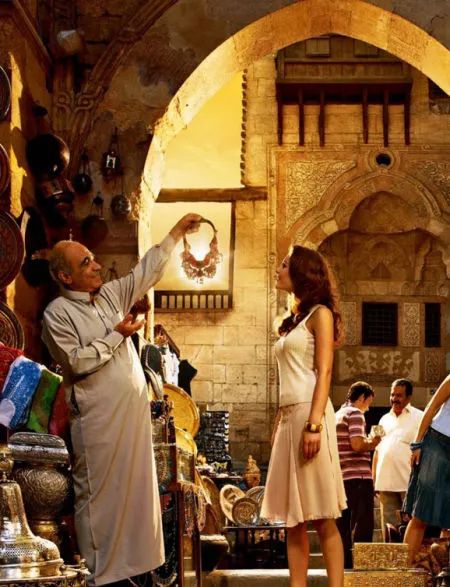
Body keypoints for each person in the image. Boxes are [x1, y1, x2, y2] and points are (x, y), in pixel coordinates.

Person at [41, 213, 202, 586]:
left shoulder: (111, 295)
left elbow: (146, 271)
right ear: (66, 276)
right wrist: (117, 335)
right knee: (100, 496)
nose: (97, 265)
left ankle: (134, 572)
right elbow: (77, 361)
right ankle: (99, 574)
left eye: (93, 259)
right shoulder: (56, 314)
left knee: (137, 495)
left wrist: (176, 231)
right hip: (98, 421)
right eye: (86, 263)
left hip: (132, 418)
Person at [260, 245, 346, 587]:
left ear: (301, 271)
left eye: (284, 265)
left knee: (322, 515)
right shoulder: (294, 320)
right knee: (292, 519)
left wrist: (314, 425)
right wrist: (278, 424)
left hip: (311, 415)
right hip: (288, 419)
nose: (278, 269)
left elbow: (325, 372)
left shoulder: (320, 314)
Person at [403, 374, 450, 565]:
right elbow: (432, 406)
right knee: (421, 513)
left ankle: (443, 574)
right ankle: (404, 573)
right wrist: (417, 443)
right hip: (437, 442)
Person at [335, 381, 381, 569]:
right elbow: (357, 444)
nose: (368, 408)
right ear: (362, 397)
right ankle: (362, 568)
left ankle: (344, 567)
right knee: (363, 525)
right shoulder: (355, 413)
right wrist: (373, 442)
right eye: (368, 402)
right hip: (359, 478)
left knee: (342, 527)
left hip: (341, 478)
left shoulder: (338, 414)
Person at [372, 378, 423, 537]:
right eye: (392, 394)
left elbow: (425, 448)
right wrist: (374, 479)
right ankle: (390, 555)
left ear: (409, 397)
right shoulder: (384, 419)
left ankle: (411, 553)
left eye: (399, 395)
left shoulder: (419, 417)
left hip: (408, 482)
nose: (394, 398)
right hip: (385, 482)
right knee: (388, 530)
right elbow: (377, 450)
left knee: (410, 527)